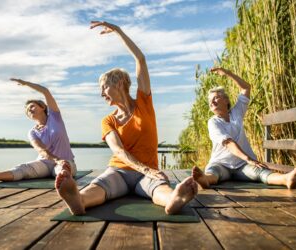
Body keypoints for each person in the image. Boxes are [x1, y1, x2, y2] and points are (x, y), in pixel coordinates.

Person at [55, 21, 198, 215]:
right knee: (95, 189)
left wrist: (119, 32)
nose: (101, 94)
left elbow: (141, 59)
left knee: (160, 189)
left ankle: (174, 200)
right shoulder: (108, 120)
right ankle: (78, 200)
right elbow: (119, 151)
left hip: (148, 171)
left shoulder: (143, 103)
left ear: (120, 83)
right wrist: (145, 170)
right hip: (119, 171)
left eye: (104, 88)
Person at [193, 67, 296, 189]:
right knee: (213, 172)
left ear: (226, 100)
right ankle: (205, 180)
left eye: (216, 98)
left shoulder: (236, 113)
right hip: (221, 163)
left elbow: (246, 88)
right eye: (210, 101)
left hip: (242, 165)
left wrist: (228, 73)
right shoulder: (213, 122)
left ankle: (287, 179)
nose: (212, 102)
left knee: (260, 172)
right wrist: (248, 158)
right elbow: (228, 142)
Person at [0, 79, 76, 183]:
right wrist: (55, 159)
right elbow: (41, 149)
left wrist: (26, 84)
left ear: (42, 107)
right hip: (44, 163)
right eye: (27, 111)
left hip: (65, 161)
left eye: (32, 106)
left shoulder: (55, 118)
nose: (29, 110)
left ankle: (64, 179)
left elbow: (45, 91)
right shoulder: (32, 132)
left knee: (62, 170)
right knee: (23, 168)